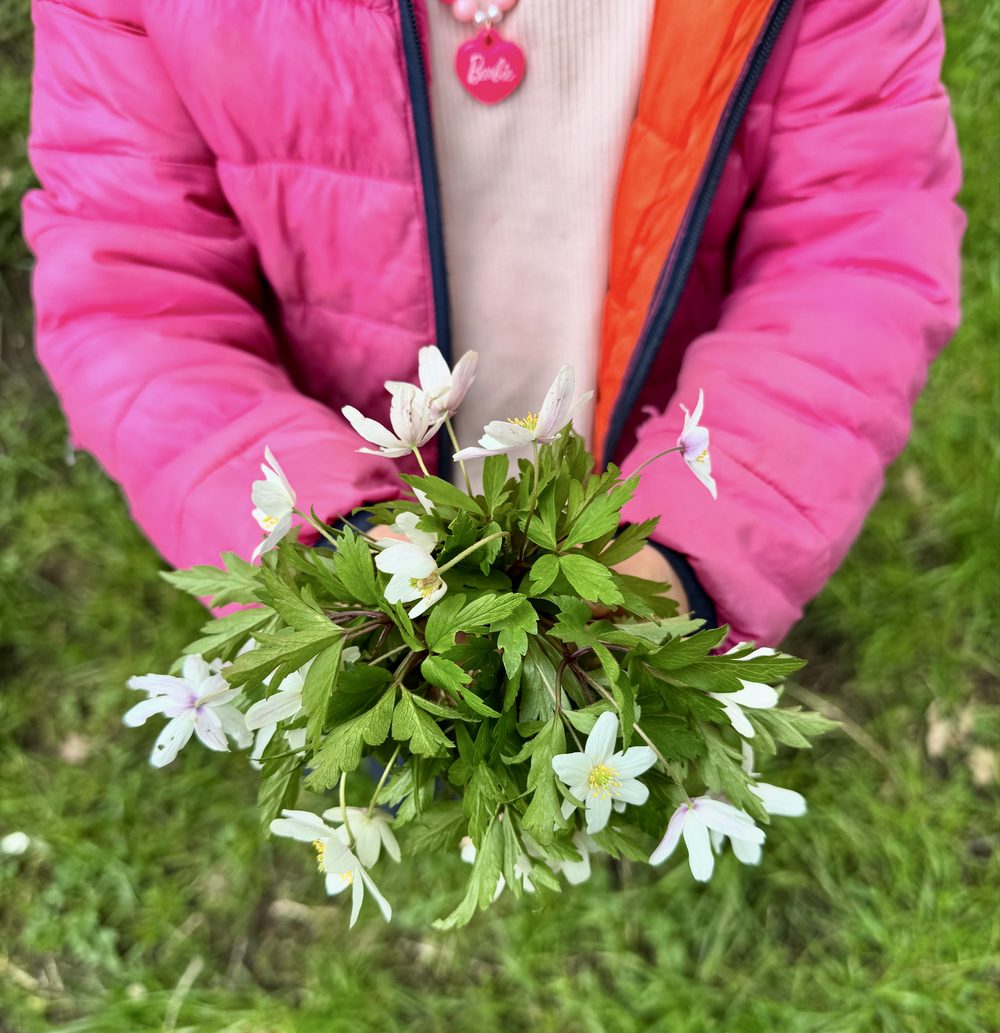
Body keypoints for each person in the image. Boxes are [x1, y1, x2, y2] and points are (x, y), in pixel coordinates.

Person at [23, 0, 963, 645]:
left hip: (659, 460)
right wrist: (329, 546)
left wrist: (690, 546)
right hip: (360, 506)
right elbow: (131, 286)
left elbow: (854, 246)